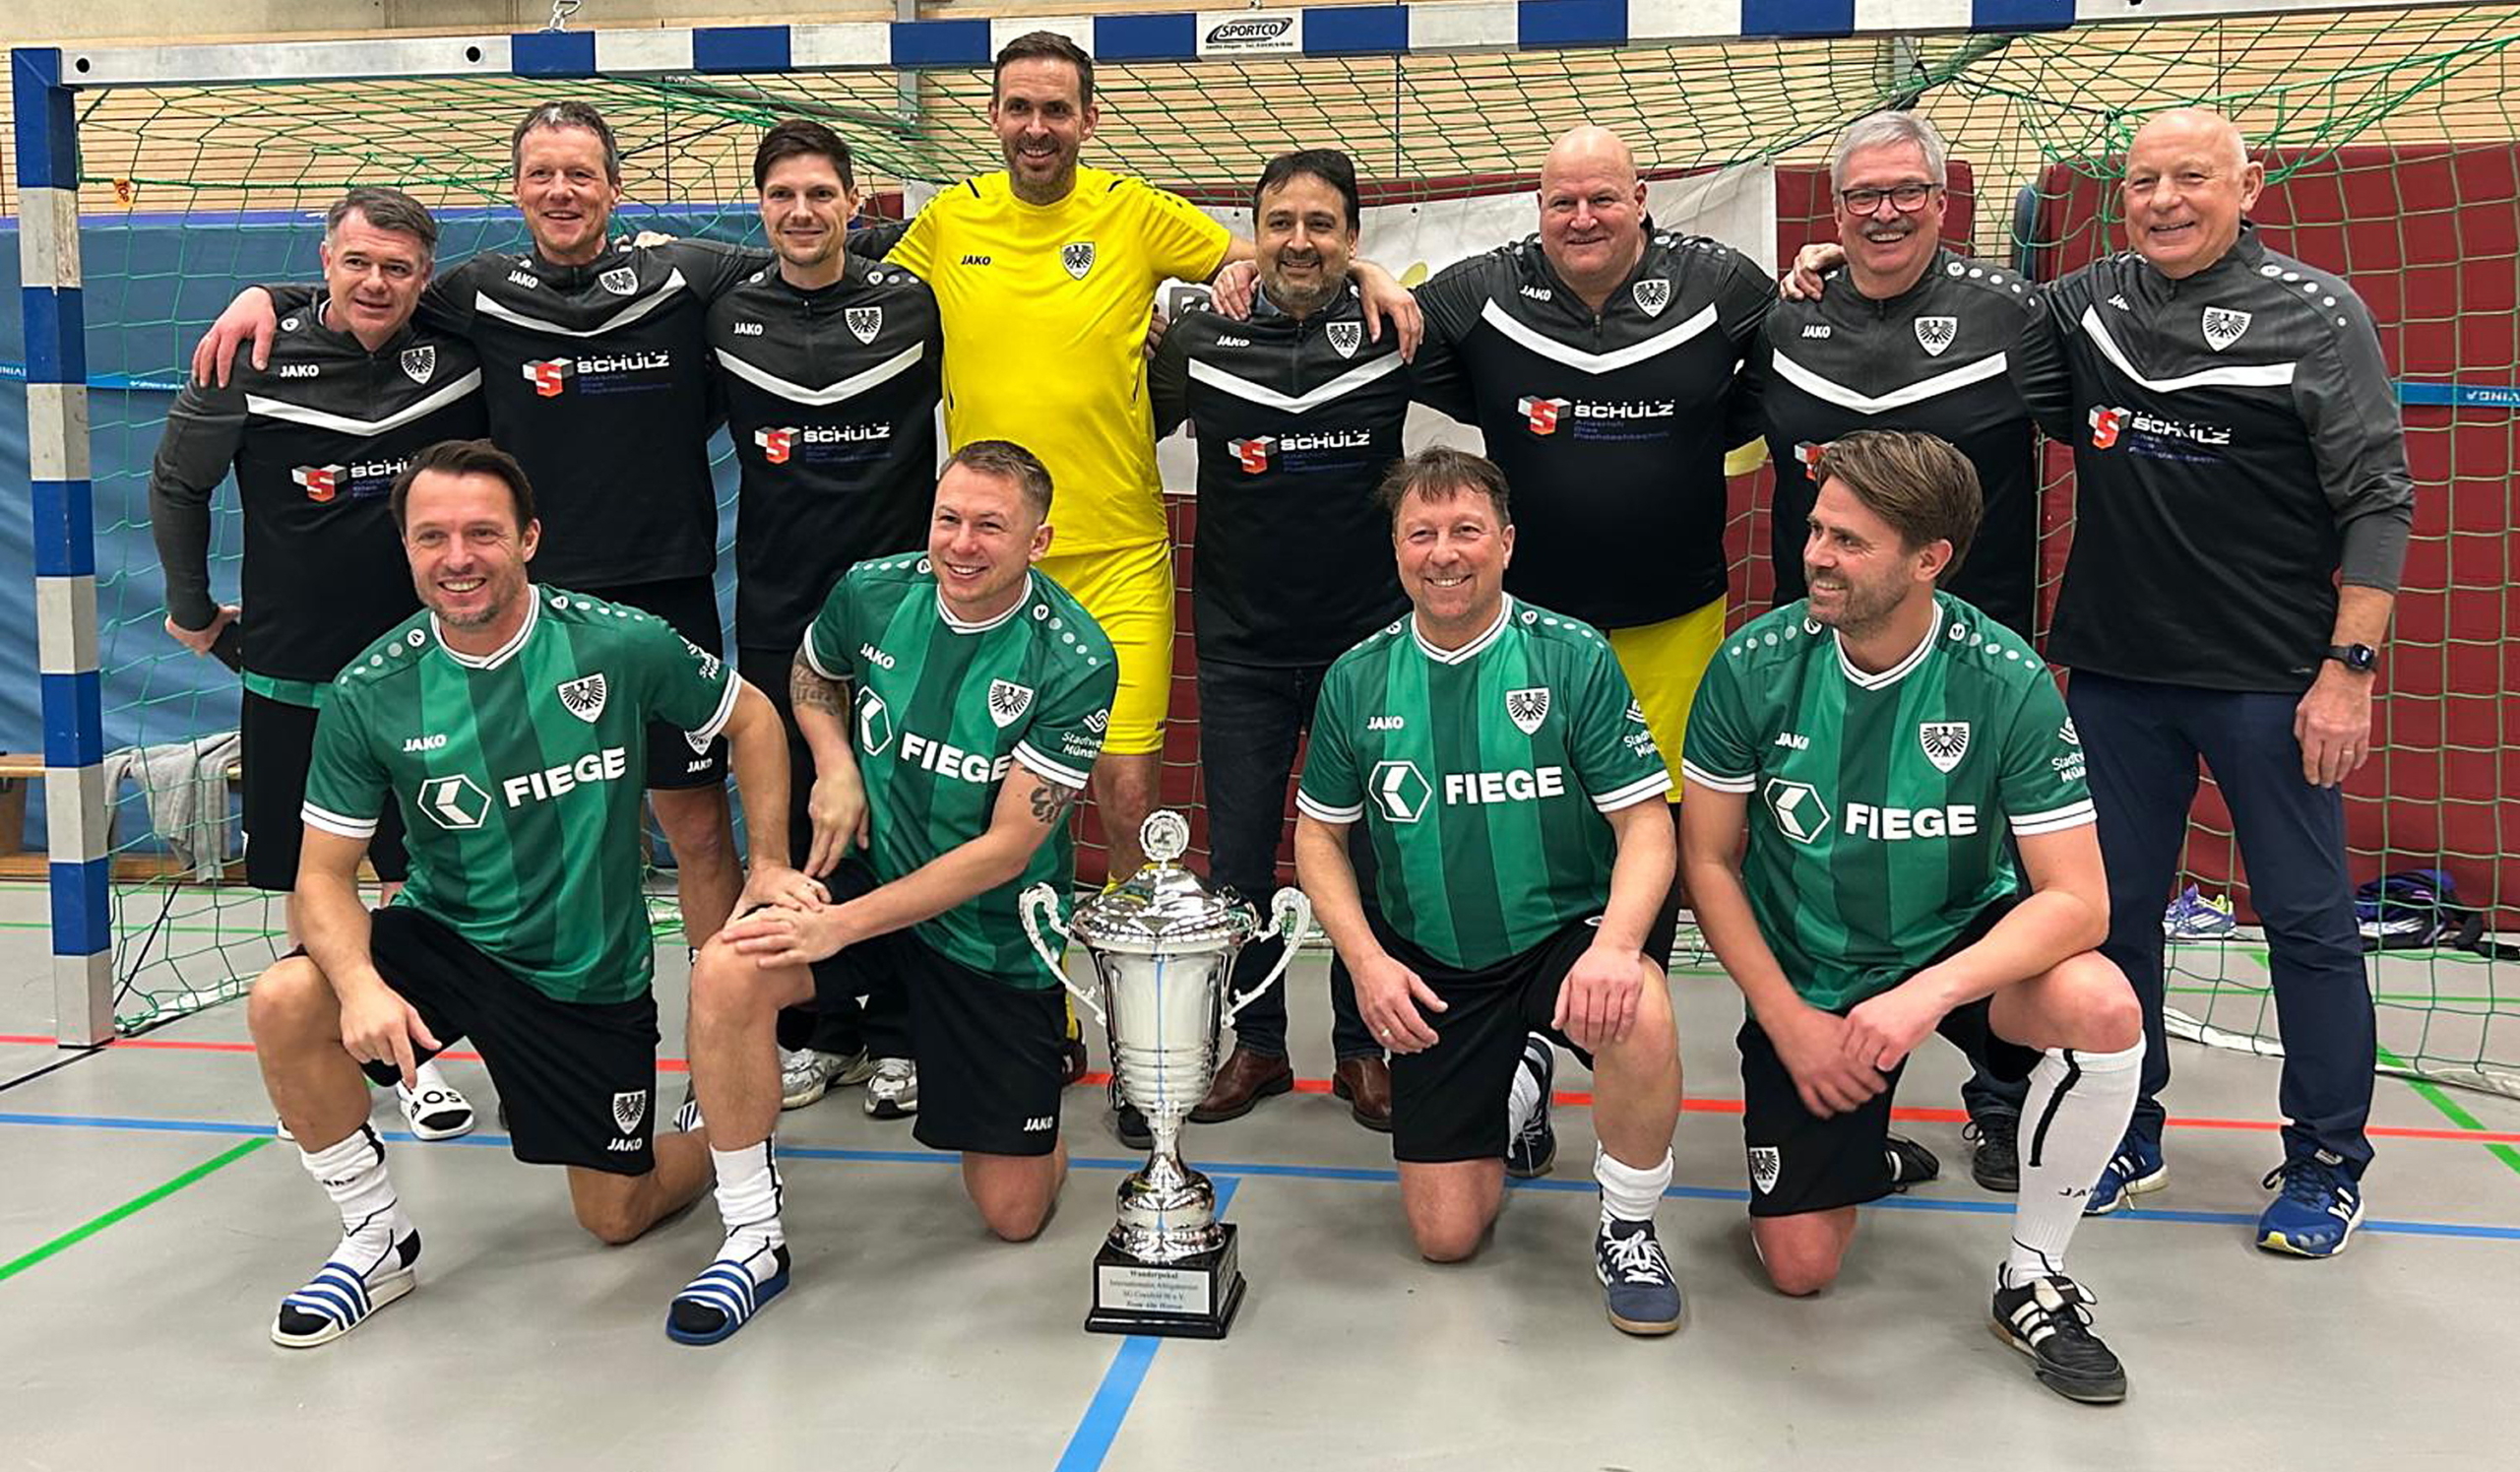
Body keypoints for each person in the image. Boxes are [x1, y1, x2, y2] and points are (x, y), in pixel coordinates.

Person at [243, 438, 808, 1349]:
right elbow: (321, 875)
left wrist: (771, 858)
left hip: (584, 969)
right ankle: (375, 1236)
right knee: (285, 997)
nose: (457, 557)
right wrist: (359, 985)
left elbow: (751, 716)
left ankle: (723, 1141)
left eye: (482, 533)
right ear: (406, 548)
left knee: (615, 1215)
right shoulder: (370, 689)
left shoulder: (616, 642)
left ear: (530, 539)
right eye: (432, 536)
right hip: (448, 937)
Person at [193, 101, 766, 957]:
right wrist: (268, 296)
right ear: (517, 189)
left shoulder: (685, 272)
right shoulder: (477, 290)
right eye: (542, 174)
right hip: (525, 609)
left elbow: (810, 252)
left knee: (699, 832)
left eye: (580, 174)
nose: (561, 190)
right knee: (527, 835)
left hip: (664, 594)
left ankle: (717, 1015)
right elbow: (373, 290)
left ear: (615, 188)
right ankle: (520, 1006)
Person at [858, 32, 1418, 880]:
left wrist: (1372, 271)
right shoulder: (948, 221)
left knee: (1125, 795)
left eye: (1056, 110)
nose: (1037, 127)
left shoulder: (1133, 210)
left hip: (1118, 552)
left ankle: (1132, 959)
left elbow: (1285, 259)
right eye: (1020, 108)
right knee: (982, 790)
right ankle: (1006, 960)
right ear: (993, 116)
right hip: (989, 556)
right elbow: (861, 298)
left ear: (1089, 119)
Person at [2012, 107, 2414, 1253]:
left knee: (2307, 923)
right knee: (2111, 915)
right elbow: (1973, 317)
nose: (2163, 200)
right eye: (2142, 180)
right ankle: (2125, 1129)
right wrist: (1826, 264)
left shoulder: (2317, 311)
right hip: (2117, 675)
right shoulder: (2087, 302)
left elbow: (2378, 499)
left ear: (2248, 186)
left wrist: (2348, 670)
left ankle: (2326, 1159)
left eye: (2191, 176)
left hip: (2270, 680)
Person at [1678, 429, 2144, 1403]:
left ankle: (2034, 1275)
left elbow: (2079, 899)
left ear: (1929, 558)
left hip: (1952, 941)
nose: (1816, 555)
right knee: (1800, 1267)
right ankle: (1869, 1151)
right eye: (1817, 529)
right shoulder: (1753, 665)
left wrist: (1926, 995)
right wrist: (1788, 1020)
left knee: (2101, 1005)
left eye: (1849, 541)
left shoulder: (2003, 677)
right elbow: (1708, 862)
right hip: (1810, 964)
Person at [670, 441, 1117, 1345]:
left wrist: (840, 927)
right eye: (949, 518)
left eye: (990, 526)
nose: (962, 543)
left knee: (1013, 1212)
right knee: (726, 967)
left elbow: (1006, 850)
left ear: (1038, 541)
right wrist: (834, 762)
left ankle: (1024, 1116)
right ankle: (751, 1235)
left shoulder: (1074, 658)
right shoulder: (873, 590)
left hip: (989, 927)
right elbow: (812, 671)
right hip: (866, 871)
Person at [1292, 447, 1686, 1338]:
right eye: (1421, 534)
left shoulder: (1572, 656)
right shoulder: (1357, 677)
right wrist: (1367, 963)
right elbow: (1318, 837)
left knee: (1640, 1006)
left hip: (1564, 934)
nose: (1444, 553)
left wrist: (1617, 947)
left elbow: (1647, 824)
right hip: (1437, 957)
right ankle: (1523, 1078)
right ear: (1396, 549)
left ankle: (1629, 1227)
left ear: (1506, 542)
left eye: (1465, 530)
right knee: (1446, 1236)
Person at [1739, 111, 2044, 1190]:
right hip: (1821, 665)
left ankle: (2001, 1098)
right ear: (1833, 210)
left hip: (1971, 670)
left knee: (1984, 877)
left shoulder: (2015, 313)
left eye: (1906, 191)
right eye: (1862, 195)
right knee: (1817, 867)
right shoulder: (1785, 319)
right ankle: (1820, 1072)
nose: (1884, 211)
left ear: (1943, 199)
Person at [150, 185, 486, 1141]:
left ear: (425, 277)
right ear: (325, 260)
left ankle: (416, 1048)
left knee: (427, 869)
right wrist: (190, 609)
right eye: (356, 262)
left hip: (430, 669)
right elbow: (177, 483)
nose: (375, 282)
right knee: (314, 878)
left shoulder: (458, 352)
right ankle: (347, 1058)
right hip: (294, 671)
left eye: (397, 267)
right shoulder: (248, 357)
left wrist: (271, 288)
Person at [1143, 147, 1412, 1142]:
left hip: (1367, 649)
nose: (1300, 242)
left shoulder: (1392, 328)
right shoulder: (1200, 334)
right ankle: (1255, 1043)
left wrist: (1378, 279)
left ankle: (1362, 1044)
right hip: (1241, 646)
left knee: (1369, 851)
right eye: (1280, 224)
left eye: (1322, 225)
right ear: (1252, 235)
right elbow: (1119, 420)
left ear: (1353, 237)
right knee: (1242, 859)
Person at [709, 118, 945, 1118]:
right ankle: (823, 1027)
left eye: (820, 194)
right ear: (760, 207)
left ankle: (903, 1031)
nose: (801, 212)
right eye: (782, 196)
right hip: (777, 607)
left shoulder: (918, 299)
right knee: (808, 821)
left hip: (899, 613)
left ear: (854, 202)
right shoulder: (723, 306)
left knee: (903, 820)